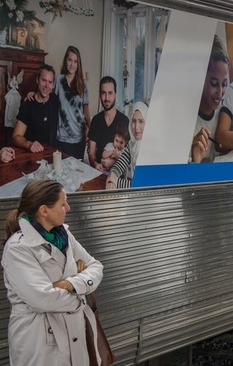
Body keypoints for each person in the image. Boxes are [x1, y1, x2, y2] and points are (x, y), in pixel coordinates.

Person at [2, 179, 104, 365]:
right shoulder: (18, 248)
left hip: (74, 333)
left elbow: (96, 266)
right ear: (44, 210)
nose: (69, 207)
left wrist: (70, 284)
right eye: (63, 203)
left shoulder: (63, 234)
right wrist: (81, 294)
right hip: (40, 341)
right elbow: (42, 298)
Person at [191, 35, 229, 163]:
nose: (220, 92)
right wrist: (195, 158)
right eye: (214, 84)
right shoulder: (189, 124)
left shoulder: (223, 113)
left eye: (224, 84)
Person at [12, 64, 59, 153]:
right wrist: (29, 144)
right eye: (44, 80)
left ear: (53, 84)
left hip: (53, 155)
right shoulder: (28, 104)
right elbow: (15, 136)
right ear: (37, 80)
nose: (46, 85)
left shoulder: (56, 100)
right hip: (33, 156)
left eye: (50, 82)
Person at [54, 46, 91, 160]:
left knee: (77, 173)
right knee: (62, 172)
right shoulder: (59, 80)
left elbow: (86, 111)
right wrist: (34, 94)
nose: (72, 64)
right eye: (70, 60)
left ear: (78, 64)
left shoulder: (83, 84)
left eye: (75, 61)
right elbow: (48, 99)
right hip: (63, 137)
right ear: (66, 61)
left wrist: (90, 130)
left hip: (79, 138)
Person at [88, 76, 129, 172]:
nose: (106, 98)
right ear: (99, 94)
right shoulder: (95, 120)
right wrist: (95, 165)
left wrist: (114, 163)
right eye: (103, 93)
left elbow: (128, 158)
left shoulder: (124, 120)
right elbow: (91, 153)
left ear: (115, 94)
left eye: (110, 93)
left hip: (117, 176)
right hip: (98, 173)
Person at [106, 101, 147, 189]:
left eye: (141, 121)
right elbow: (120, 163)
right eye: (133, 121)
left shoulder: (150, 148)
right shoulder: (132, 143)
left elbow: (143, 186)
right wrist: (112, 177)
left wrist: (116, 181)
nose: (136, 127)